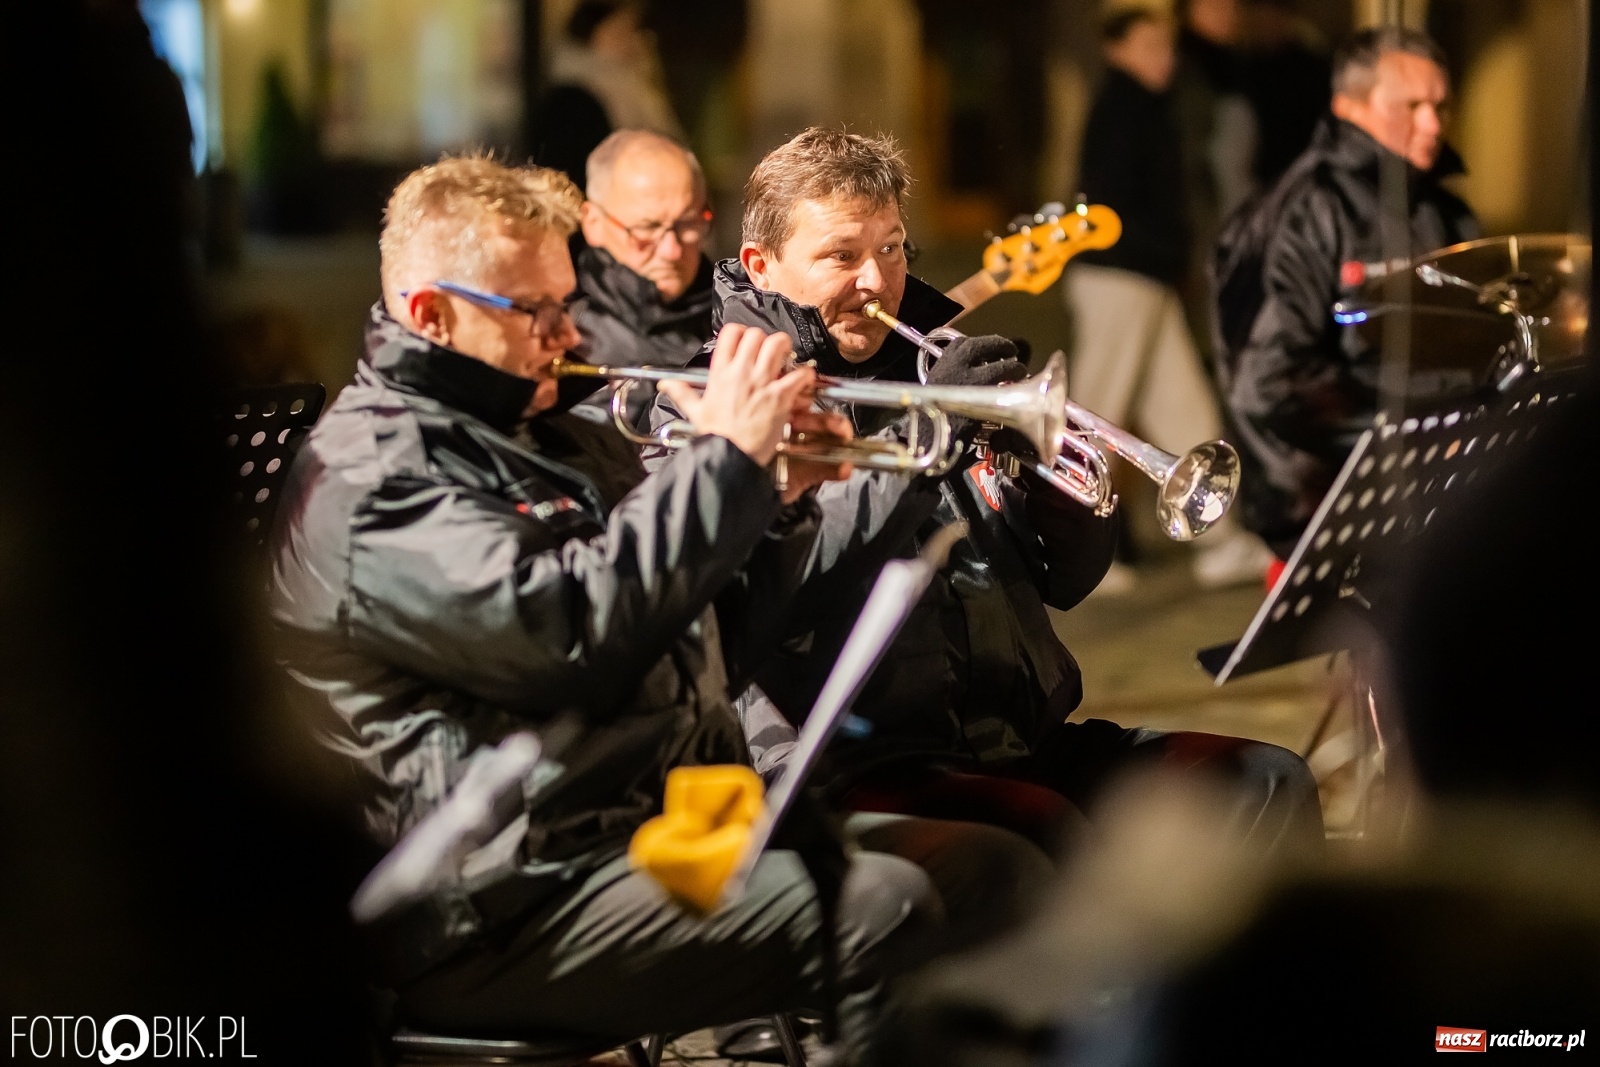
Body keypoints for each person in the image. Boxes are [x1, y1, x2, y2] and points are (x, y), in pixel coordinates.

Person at [267, 152, 1056, 1060]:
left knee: (994, 871)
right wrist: (723, 461)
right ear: (430, 314)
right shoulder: (372, 478)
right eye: (535, 311)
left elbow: (713, 633)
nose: (567, 333)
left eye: (566, 300)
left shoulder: (544, 426)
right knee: (883, 909)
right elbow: (576, 634)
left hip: (637, 824)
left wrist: (781, 497)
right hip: (488, 895)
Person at [656, 127, 1323, 869]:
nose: (877, 281)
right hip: (847, 767)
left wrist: (1064, 487)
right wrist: (932, 436)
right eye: (842, 256)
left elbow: (1064, 582)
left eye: (891, 248)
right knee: (1049, 834)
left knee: (1267, 782)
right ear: (763, 265)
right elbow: (782, 579)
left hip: (1012, 738)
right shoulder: (708, 402)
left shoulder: (928, 358)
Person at [1210, 27, 1480, 560]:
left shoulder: (1445, 209)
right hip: (1326, 497)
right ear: (1349, 106)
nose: (1432, 124)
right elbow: (1264, 382)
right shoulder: (1301, 213)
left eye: (1440, 106)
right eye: (1412, 105)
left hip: (1440, 485)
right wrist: (1414, 436)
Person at [1065, 8, 1277, 591]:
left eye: (1167, 44)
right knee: (1097, 416)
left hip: (1146, 279)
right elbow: (1110, 206)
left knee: (1188, 413)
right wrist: (1166, 250)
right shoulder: (1120, 109)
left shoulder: (1148, 108)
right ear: (1116, 51)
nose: (1164, 56)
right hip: (1118, 280)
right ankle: (1073, 547)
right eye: (1148, 45)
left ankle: (1221, 541)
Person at [570, 129, 716, 426]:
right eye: (647, 228)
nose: (672, 250)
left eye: (688, 223)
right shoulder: (568, 342)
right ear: (593, 223)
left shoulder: (740, 316)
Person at [527, 0, 686, 188]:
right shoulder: (576, 98)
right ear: (592, 33)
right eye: (622, 31)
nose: (633, 40)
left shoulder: (634, 84)